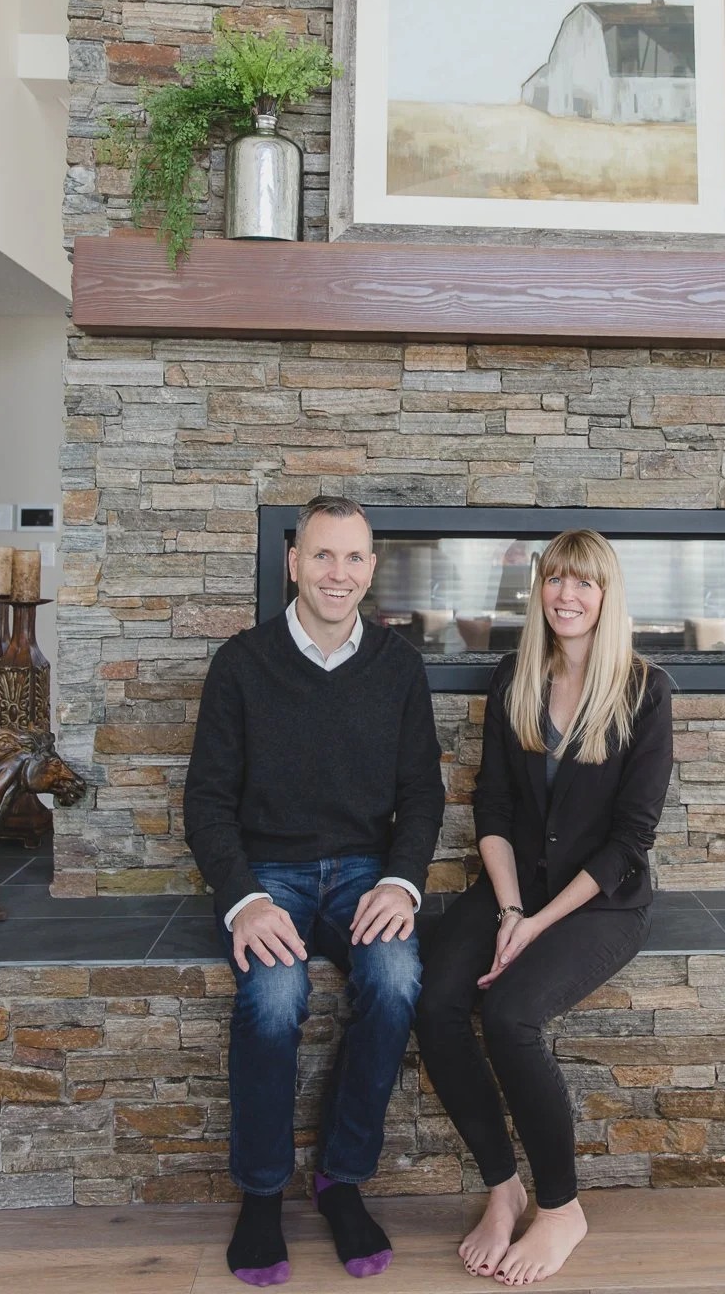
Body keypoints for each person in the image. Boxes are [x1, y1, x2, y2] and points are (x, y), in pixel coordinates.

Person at [183, 495, 444, 1287]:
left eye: (354, 558)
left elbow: (423, 794)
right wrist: (244, 900)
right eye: (322, 556)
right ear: (293, 562)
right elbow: (206, 802)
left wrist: (401, 882)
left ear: (372, 568)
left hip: (365, 872)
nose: (339, 573)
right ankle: (261, 1193)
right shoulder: (242, 663)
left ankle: (340, 1178)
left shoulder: (398, 666)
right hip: (271, 877)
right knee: (272, 995)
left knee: (398, 978)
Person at [416, 529, 674, 1287]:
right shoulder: (512, 677)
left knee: (508, 1017)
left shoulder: (644, 689)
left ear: (606, 595)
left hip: (598, 904)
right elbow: (489, 805)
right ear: (539, 590)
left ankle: (561, 1208)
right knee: (432, 1005)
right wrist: (506, 911)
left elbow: (632, 838)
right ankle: (504, 1190)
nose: (567, 595)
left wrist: (537, 921)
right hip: (509, 890)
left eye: (584, 583)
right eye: (555, 580)